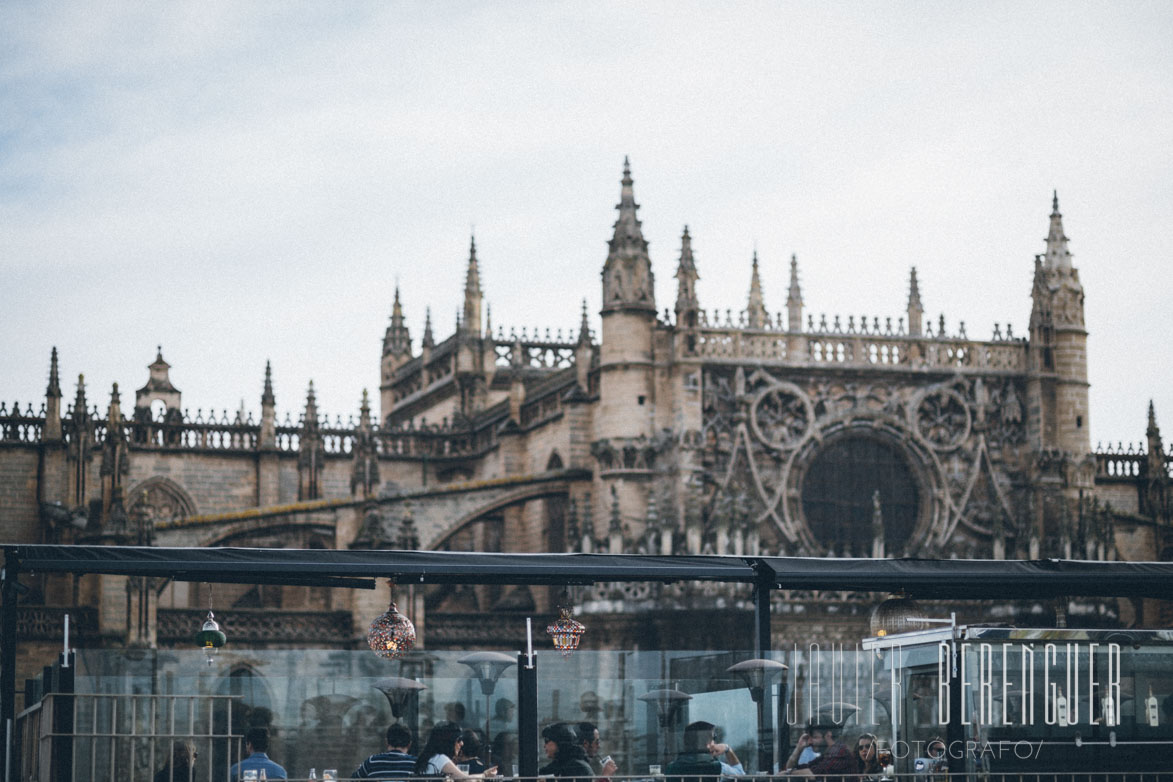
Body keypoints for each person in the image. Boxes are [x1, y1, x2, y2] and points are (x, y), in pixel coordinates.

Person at [779, 712, 854, 779]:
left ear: (828, 735)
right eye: (808, 738)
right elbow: (793, 768)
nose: (809, 742)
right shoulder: (826, 755)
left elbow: (812, 774)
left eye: (814, 737)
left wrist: (788, 774)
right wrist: (798, 748)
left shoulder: (839, 752)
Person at [664, 721, 743, 782]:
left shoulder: (670, 768)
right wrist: (727, 749)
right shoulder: (719, 767)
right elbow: (741, 775)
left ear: (685, 743)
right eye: (713, 738)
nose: (715, 743)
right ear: (708, 744)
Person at [415, 721, 497, 779]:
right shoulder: (440, 758)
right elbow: (464, 779)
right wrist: (485, 775)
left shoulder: (431, 757)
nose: (461, 744)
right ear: (449, 742)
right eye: (458, 740)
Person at [353, 723, 417, 779]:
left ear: (386, 742)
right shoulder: (416, 764)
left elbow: (354, 779)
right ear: (409, 744)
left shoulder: (371, 762)